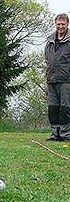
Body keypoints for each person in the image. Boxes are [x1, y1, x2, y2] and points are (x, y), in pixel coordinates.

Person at [45, 13, 70, 141]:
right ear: (55, 24)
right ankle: (55, 134)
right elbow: (47, 59)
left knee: (65, 108)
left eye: (63, 24)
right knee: (53, 108)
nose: (60, 26)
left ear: (67, 24)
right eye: (58, 24)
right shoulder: (49, 41)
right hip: (51, 79)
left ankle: (66, 135)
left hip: (66, 80)